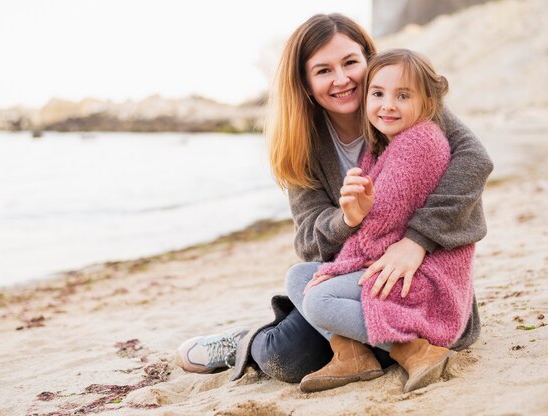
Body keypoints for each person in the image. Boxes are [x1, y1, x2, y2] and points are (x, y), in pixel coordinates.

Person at [176, 13, 493, 386]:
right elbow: (309, 243)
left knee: (296, 343)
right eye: (324, 70)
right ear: (307, 84)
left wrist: (418, 241)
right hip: (357, 279)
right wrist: (348, 219)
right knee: (288, 353)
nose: (342, 79)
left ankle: (401, 347)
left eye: (350, 63)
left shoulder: (405, 106)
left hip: (414, 281)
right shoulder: (304, 145)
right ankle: (264, 342)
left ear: (369, 61)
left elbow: (474, 159)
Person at [289, 48, 476, 394]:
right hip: (387, 263)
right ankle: (353, 355)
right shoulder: (381, 144)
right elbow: (312, 240)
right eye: (378, 94)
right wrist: (350, 219)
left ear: (429, 104)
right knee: (298, 276)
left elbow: (381, 231)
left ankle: (415, 350)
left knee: (317, 300)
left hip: (421, 273)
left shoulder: (417, 142)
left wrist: (340, 262)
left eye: (402, 96)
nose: (388, 105)